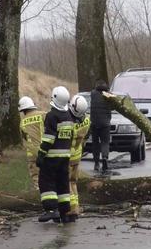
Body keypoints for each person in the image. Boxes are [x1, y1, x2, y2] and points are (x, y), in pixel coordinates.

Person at [36, 86, 74, 223]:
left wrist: (41, 154)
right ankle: (65, 212)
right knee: (62, 184)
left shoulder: (52, 116)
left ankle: (51, 210)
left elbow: (49, 138)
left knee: (46, 182)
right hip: (65, 157)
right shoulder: (69, 116)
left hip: (51, 157)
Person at [68, 94, 90, 222]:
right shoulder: (87, 120)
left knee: (66, 183)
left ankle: (71, 209)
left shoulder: (69, 123)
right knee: (73, 182)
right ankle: (76, 207)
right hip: (77, 155)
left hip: (68, 156)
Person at [18, 96, 45, 190]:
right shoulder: (43, 115)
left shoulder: (22, 122)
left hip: (32, 153)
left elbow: (24, 137)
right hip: (45, 149)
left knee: (36, 176)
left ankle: (38, 191)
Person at [90, 79, 111, 172]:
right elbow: (113, 106)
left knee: (95, 143)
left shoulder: (93, 93)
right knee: (105, 142)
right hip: (105, 123)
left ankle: (96, 163)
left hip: (94, 123)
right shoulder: (108, 95)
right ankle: (105, 158)